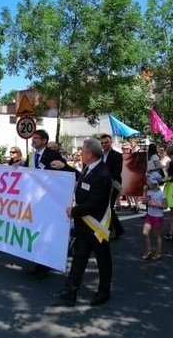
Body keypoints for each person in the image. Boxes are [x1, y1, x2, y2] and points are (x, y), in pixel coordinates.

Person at [51, 139, 113, 307]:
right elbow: (80, 179)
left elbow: (94, 203)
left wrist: (74, 211)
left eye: (82, 151)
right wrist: (64, 166)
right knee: (79, 258)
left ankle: (104, 291)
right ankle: (70, 291)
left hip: (97, 226)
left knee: (103, 260)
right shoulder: (90, 168)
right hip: (84, 224)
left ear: (89, 154)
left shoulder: (103, 174)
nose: (79, 153)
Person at [24, 129, 73, 279]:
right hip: (34, 200)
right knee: (36, 231)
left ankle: (45, 265)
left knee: (45, 232)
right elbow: (25, 172)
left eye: (37, 138)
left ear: (44, 141)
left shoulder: (52, 154)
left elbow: (65, 173)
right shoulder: (31, 155)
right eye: (33, 138)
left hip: (49, 200)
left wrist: (62, 166)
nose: (34, 140)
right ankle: (38, 262)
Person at [99, 134, 125, 239]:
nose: (104, 145)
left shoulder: (117, 155)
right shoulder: (99, 155)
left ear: (111, 142)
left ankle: (108, 232)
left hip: (113, 185)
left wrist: (105, 178)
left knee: (108, 207)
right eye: (102, 143)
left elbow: (116, 172)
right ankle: (118, 229)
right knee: (107, 208)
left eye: (106, 142)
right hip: (102, 185)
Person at [141, 172, 167, 260]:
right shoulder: (149, 191)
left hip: (158, 217)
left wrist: (156, 205)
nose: (148, 183)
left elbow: (165, 206)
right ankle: (149, 250)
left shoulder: (161, 194)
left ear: (155, 183)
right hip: (149, 215)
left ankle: (158, 251)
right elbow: (144, 202)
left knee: (157, 235)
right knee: (145, 233)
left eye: (149, 182)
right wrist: (144, 191)